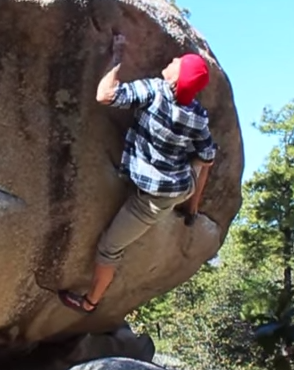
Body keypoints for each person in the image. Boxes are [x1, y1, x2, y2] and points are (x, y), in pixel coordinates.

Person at [58, 33, 217, 314]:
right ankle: (191, 205)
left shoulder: (155, 91)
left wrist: (117, 57)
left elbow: (104, 94)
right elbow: (207, 159)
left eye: (179, 63)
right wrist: (193, 205)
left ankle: (89, 303)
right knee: (202, 160)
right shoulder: (198, 115)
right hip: (183, 182)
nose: (174, 59)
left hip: (152, 198)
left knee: (109, 248)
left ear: (175, 80)